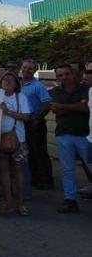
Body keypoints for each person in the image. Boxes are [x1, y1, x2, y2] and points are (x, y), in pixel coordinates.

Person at [49, 64, 91, 213]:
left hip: (85, 135)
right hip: (64, 135)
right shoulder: (55, 91)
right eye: (60, 75)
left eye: (66, 74)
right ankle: (70, 200)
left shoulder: (85, 89)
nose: (64, 77)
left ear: (72, 74)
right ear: (57, 77)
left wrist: (62, 107)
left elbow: (85, 108)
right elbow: (54, 108)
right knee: (67, 170)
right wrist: (75, 106)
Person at [0, 72, 31, 215]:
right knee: (4, 171)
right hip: (0, 139)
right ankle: (8, 202)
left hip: (18, 139)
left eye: (10, 80)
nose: (7, 82)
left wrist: (8, 111)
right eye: (4, 79)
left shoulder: (21, 97)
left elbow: (26, 117)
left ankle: (21, 203)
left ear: (16, 84)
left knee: (18, 172)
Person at [20, 59, 54, 190]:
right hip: (24, 123)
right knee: (30, 154)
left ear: (34, 71)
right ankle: (35, 179)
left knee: (40, 153)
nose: (26, 70)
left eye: (29, 68)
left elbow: (47, 104)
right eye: (24, 67)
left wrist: (37, 119)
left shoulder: (38, 85)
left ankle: (47, 181)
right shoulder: (20, 84)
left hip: (35, 123)